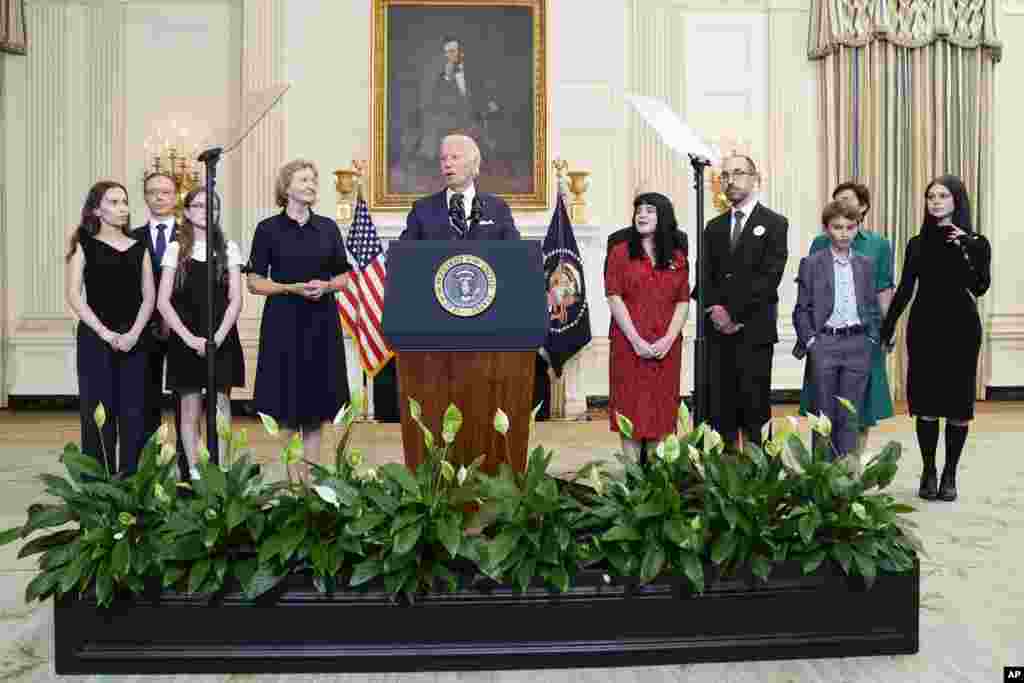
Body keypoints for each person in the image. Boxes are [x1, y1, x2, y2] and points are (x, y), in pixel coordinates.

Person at [880, 175, 991, 502]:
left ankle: (950, 473)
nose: (936, 201)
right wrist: (888, 328)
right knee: (926, 403)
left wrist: (967, 247)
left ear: (957, 201)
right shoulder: (917, 243)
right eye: (931, 196)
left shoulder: (976, 242)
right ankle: (929, 469)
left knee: (957, 404)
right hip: (925, 327)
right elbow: (904, 289)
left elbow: (980, 286)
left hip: (961, 328)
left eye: (943, 195)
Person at [246, 159, 352, 477]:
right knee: (286, 407)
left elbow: (344, 278)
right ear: (286, 186)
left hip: (321, 323)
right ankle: (288, 481)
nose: (311, 185)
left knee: (317, 408)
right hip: (283, 323)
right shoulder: (268, 229)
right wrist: (289, 287)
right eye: (304, 179)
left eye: (313, 180)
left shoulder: (328, 228)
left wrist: (328, 285)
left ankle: (310, 482)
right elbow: (253, 282)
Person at [696, 155, 788, 450]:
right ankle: (723, 482)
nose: (730, 180)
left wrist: (733, 314)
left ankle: (759, 482)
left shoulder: (774, 223)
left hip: (754, 331)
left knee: (754, 409)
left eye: (738, 173)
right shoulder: (713, 226)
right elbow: (705, 276)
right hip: (717, 333)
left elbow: (769, 277)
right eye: (724, 175)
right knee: (720, 411)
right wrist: (715, 311)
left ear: (754, 178)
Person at [65, 181, 155, 475]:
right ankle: (98, 491)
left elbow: (149, 296)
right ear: (96, 209)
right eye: (114, 202)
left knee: (134, 414)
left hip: (134, 339)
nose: (122, 208)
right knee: (97, 414)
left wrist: (133, 334)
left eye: (125, 202)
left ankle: (133, 488)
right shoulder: (83, 243)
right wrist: (105, 333)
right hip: (95, 338)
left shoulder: (140, 247)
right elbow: (74, 295)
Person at [799, 183, 895, 457]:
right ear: (828, 228)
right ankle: (820, 476)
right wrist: (811, 340)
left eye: (849, 227)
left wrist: (876, 335)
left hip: (859, 342)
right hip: (825, 341)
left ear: (860, 217)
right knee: (823, 414)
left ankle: (847, 480)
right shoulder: (815, 257)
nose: (843, 232)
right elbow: (803, 306)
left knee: (852, 414)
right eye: (837, 226)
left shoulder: (868, 259)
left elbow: (878, 296)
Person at [156, 189, 245, 478]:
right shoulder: (174, 249)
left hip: (221, 336)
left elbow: (235, 299)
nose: (205, 210)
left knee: (220, 405)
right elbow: (163, 301)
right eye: (198, 205)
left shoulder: (228, 248)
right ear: (187, 211)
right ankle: (195, 471)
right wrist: (188, 338)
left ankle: (222, 469)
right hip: (186, 338)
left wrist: (218, 336)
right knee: (189, 408)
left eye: (212, 206)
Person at [605, 192, 690, 463]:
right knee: (630, 408)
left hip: (666, 348)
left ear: (663, 216)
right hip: (629, 346)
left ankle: (657, 480)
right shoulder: (620, 253)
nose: (641, 215)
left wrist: (668, 339)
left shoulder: (677, 257)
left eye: (649, 210)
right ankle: (632, 480)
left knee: (661, 411)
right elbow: (613, 296)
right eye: (639, 210)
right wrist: (636, 340)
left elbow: (682, 301)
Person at [132, 171, 187, 478]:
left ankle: (186, 468)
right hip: (144, 330)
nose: (159, 197)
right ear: (145, 196)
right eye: (153, 192)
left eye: (165, 192)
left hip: (181, 329)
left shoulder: (192, 235)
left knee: (185, 403)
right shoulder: (132, 236)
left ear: (175, 196)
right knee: (144, 400)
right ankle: (148, 471)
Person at [401, 134, 518, 241]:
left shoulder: (498, 208)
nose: (447, 164)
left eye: (455, 157)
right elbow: (402, 255)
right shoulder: (422, 210)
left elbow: (517, 253)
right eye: (443, 158)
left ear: (473, 163)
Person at [415, 36, 501, 161]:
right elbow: (436, 100)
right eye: (446, 52)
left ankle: (487, 153)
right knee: (435, 124)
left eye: (452, 51)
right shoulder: (443, 76)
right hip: (452, 117)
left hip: (474, 114)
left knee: (488, 123)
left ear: (461, 52)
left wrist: (490, 102)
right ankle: (430, 157)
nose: (449, 55)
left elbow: (483, 91)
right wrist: (447, 78)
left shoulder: (474, 70)